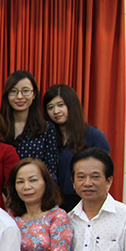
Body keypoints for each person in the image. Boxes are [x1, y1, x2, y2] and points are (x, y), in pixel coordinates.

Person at [44, 84, 111, 212]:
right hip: (52, 204)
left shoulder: (93, 135)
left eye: (60, 105)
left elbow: (104, 170)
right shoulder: (46, 137)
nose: (56, 111)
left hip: (85, 202)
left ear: (72, 105)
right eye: (50, 107)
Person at [1, 70, 59, 180]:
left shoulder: (46, 128)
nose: (19, 96)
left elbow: (50, 170)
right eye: (13, 91)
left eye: (25, 91)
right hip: (2, 193)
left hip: (36, 191)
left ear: (34, 95)